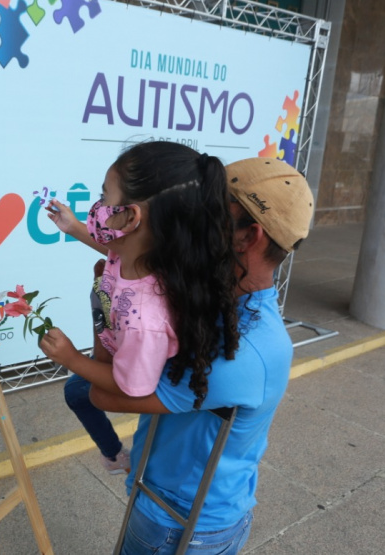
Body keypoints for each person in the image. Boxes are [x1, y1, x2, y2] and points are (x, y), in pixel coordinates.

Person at [44, 156, 314, 554]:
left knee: (81, 387)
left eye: (206, 214)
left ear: (249, 236)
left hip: (179, 527)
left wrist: (104, 305)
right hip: (165, 500)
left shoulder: (244, 353)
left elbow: (105, 393)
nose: (187, 223)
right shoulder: (206, 289)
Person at [43, 141, 241, 475]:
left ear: (132, 217)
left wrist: (71, 359)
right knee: (76, 392)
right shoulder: (142, 254)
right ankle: (113, 454)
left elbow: (128, 387)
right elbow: (110, 249)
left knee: (78, 392)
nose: (99, 205)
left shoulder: (144, 320)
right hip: (118, 345)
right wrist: (74, 226)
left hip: (126, 361)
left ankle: (116, 457)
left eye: (105, 197)